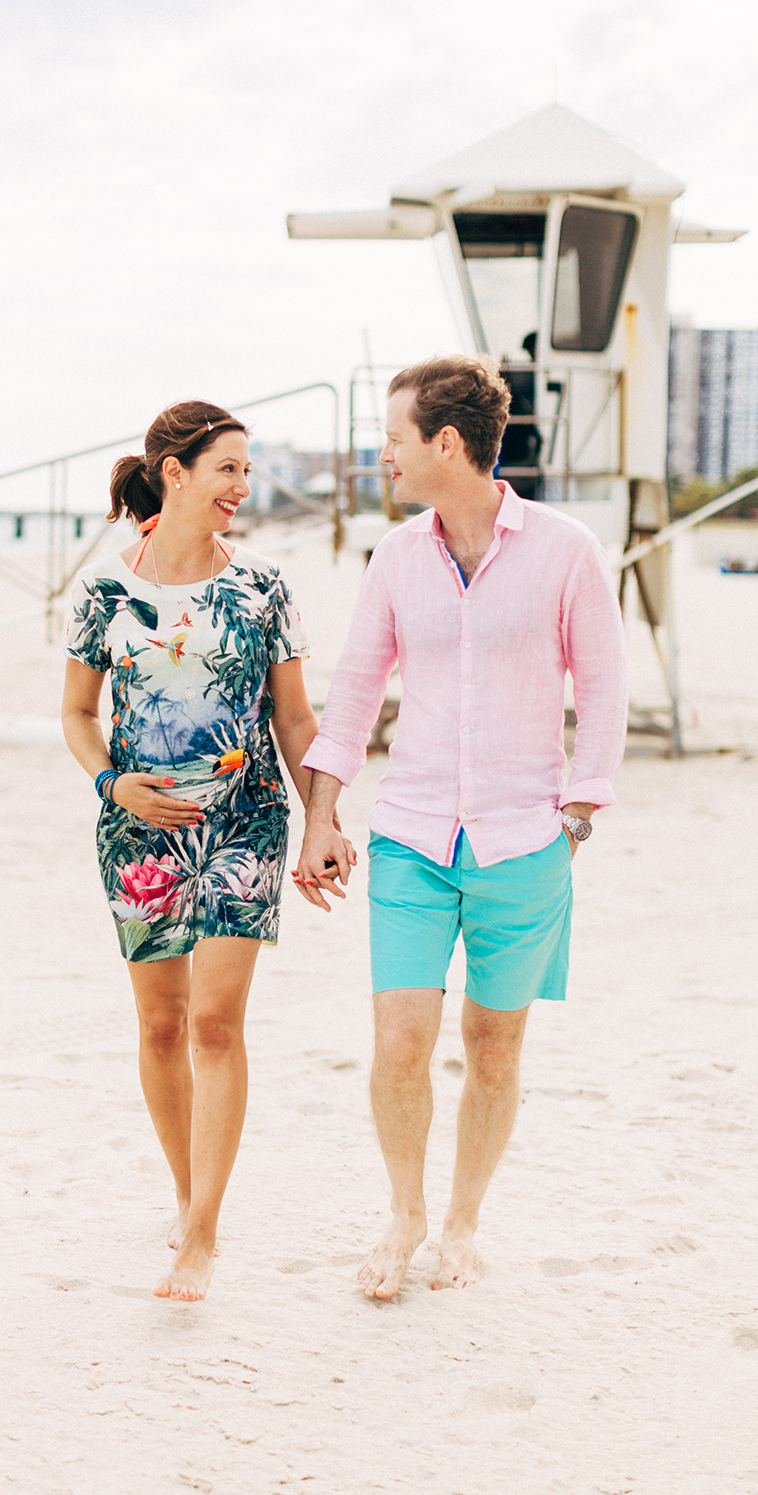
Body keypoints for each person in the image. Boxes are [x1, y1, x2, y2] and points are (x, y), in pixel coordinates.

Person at [293, 356, 627, 1298]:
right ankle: (403, 1216)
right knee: (398, 1042)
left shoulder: (566, 550)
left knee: (493, 1046)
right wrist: (320, 816)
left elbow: (602, 687)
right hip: (410, 840)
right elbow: (354, 696)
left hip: (526, 843)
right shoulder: (396, 558)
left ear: (447, 443)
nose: (384, 454)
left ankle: (463, 1223)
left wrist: (577, 816)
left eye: (394, 437)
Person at [62, 400, 349, 1302]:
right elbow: (75, 715)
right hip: (138, 831)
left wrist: (323, 820)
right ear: (175, 473)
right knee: (160, 1025)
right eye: (228, 467)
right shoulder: (104, 591)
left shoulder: (262, 585)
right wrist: (114, 784)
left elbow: (296, 717)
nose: (243, 485)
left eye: (245, 468)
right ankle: (188, 1195)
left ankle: (203, 1234)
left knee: (218, 1024)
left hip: (247, 820)